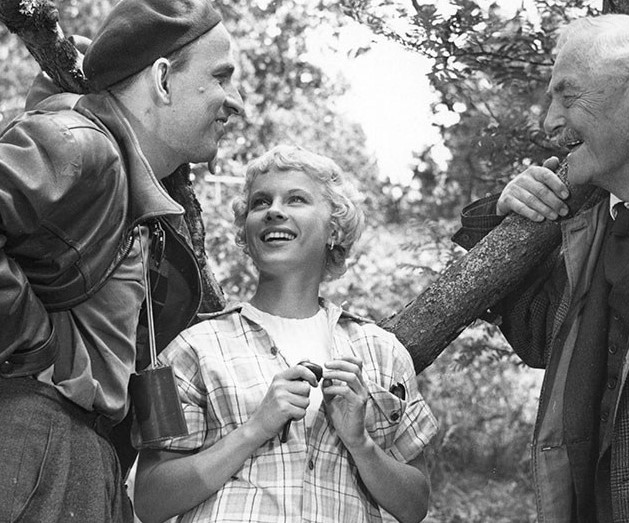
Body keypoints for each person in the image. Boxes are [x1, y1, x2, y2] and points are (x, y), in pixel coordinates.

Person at [452, 14, 629, 523]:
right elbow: (536, 335)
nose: (550, 121)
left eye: (567, 96)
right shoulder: (579, 219)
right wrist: (499, 218)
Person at [0, 0, 243, 521]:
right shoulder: (78, 144)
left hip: (89, 458)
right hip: (35, 436)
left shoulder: (137, 202)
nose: (236, 102)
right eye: (221, 77)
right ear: (163, 80)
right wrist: (33, 345)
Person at [134, 145, 438, 523]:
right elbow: (149, 499)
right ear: (247, 232)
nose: (274, 211)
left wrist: (360, 443)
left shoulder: (382, 352)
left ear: (334, 228)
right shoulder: (192, 348)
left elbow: (415, 505)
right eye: (260, 202)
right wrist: (255, 428)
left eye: (296, 199)